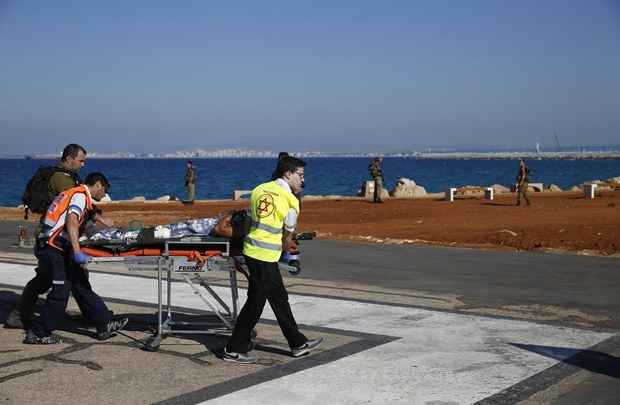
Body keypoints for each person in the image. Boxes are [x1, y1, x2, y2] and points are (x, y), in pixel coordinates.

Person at [223, 156, 323, 364]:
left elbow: (250, 221)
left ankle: (297, 343)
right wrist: (286, 247)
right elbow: (288, 237)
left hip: (252, 251)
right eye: (300, 175)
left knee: (279, 297)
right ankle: (233, 349)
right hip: (265, 257)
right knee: (255, 303)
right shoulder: (291, 201)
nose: (303, 180)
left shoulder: (259, 189)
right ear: (288, 174)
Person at [6, 144, 112, 330]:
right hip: (54, 239)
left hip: (54, 238)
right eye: (80, 160)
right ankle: (28, 319)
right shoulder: (63, 179)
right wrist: (81, 244)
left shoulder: (68, 177)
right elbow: (74, 212)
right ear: (69, 158)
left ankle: (93, 316)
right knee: (66, 279)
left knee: (49, 279)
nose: (82, 165)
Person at [24, 172, 128, 344]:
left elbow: (85, 213)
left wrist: (101, 219)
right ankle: (38, 332)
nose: (104, 194)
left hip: (54, 246)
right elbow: (72, 221)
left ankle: (104, 323)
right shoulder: (80, 196)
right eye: (104, 190)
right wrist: (77, 251)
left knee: (80, 284)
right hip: (52, 248)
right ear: (98, 185)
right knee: (60, 291)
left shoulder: (75, 193)